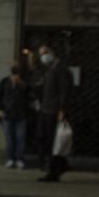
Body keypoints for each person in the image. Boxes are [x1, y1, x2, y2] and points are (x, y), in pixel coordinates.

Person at [35, 44, 72, 182]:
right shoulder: (50, 69)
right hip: (46, 109)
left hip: (53, 110)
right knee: (44, 139)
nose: (43, 57)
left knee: (52, 142)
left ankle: (53, 171)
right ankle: (61, 165)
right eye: (41, 54)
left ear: (51, 52)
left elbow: (64, 91)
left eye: (44, 53)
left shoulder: (60, 68)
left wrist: (62, 110)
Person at [0, 65, 27, 169]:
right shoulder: (4, 82)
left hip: (21, 114)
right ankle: (10, 159)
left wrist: (20, 84)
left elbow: (28, 96)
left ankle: (19, 159)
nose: (15, 77)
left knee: (20, 138)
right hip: (7, 114)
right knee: (9, 138)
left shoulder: (23, 83)